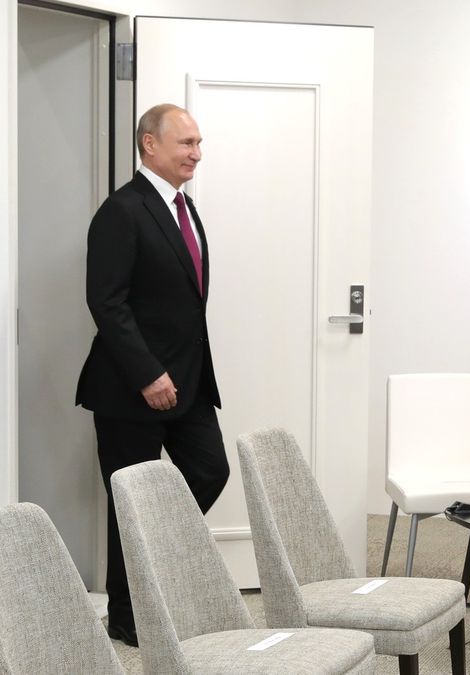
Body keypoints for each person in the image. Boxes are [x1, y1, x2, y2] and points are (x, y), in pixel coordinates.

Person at [76, 103, 228, 648]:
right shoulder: (123, 210)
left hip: (188, 384)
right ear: (149, 145)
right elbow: (107, 301)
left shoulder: (184, 208)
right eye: (186, 143)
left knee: (211, 471)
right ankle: (126, 617)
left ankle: (157, 565)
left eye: (198, 142)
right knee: (130, 505)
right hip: (129, 391)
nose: (196, 153)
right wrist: (147, 374)